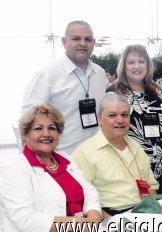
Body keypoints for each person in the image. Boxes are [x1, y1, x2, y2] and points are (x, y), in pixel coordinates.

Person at [0, 104, 102, 232]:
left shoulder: (66, 159)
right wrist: (80, 225)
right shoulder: (15, 169)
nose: (46, 134)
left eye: (52, 128)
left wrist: (93, 218)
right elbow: (28, 221)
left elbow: (90, 191)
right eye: (38, 128)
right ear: (25, 134)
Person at [22, 20, 107, 154]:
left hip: (95, 155)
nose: (83, 43)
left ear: (94, 43)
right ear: (64, 41)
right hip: (61, 156)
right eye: (76, 38)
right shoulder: (47, 74)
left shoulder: (100, 73)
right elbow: (27, 119)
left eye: (88, 39)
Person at [72, 93, 159, 219]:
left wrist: (153, 214)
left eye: (124, 115)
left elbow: (151, 186)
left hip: (144, 214)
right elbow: (82, 200)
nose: (120, 120)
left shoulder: (137, 148)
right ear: (100, 117)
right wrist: (112, 224)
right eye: (113, 115)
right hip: (110, 218)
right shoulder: (83, 153)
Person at [107, 44, 162, 193]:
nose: (136, 66)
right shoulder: (115, 92)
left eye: (141, 61)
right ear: (124, 66)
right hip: (133, 164)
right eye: (131, 62)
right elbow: (108, 127)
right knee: (139, 212)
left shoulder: (158, 90)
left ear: (148, 65)